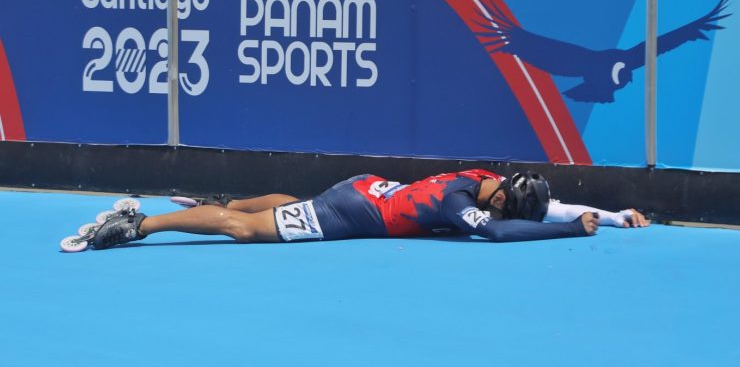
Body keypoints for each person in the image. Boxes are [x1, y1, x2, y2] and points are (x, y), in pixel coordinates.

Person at [90, 169, 648, 250]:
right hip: (354, 214)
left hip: (363, 188)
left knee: (297, 206)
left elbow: (546, 207)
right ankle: (139, 225)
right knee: (247, 232)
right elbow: (501, 235)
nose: (508, 216)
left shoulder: (484, 179)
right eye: (510, 210)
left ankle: (223, 202)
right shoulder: (458, 203)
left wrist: (615, 216)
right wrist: (573, 232)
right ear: (500, 201)